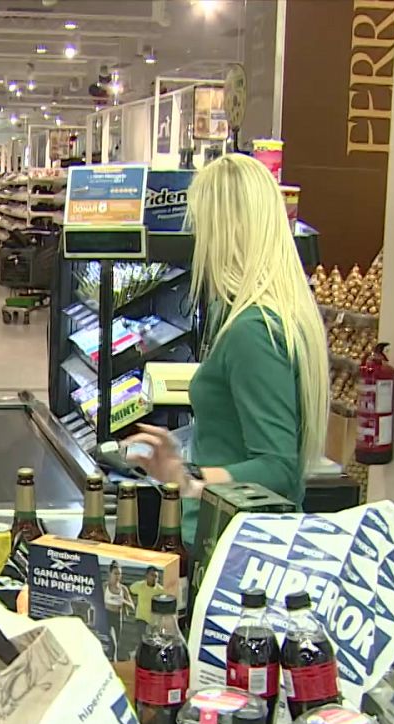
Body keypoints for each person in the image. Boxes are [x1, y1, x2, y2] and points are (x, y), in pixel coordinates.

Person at [122, 153, 329, 542]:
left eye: (201, 224)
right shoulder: (267, 316)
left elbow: (278, 468)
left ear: (226, 229)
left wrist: (186, 476)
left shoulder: (254, 331)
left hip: (236, 545)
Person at [103, 562, 135, 653]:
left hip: (117, 616)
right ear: (110, 574)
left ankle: (114, 662)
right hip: (107, 615)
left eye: (119, 574)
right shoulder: (105, 586)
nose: (117, 576)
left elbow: (132, 606)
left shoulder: (123, 589)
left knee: (116, 644)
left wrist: (123, 601)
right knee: (111, 642)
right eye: (115, 573)